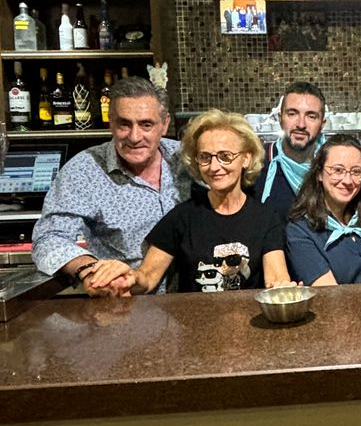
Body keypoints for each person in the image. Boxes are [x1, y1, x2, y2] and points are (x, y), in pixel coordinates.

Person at [88, 110, 292, 293]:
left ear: (246, 158)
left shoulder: (265, 218)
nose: (214, 167)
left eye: (225, 156)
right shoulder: (183, 216)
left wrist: (284, 289)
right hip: (193, 326)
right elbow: (148, 277)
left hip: (249, 326)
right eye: (205, 157)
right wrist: (129, 278)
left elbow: (276, 280)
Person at [31, 77, 191, 296]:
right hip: (127, 303)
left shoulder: (189, 159)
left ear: (164, 124)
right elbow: (49, 238)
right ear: (110, 123)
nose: (135, 137)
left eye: (146, 124)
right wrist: (89, 270)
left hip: (197, 298)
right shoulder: (84, 170)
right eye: (124, 124)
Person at [285, 135, 361, 285]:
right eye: (338, 170)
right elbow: (329, 295)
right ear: (319, 173)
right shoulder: (300, 231)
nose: (347, 181)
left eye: (356, 171)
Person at [249, 81, 327, 223]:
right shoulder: (256, 163)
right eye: (292, 114)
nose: (301, 124)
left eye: (311, 116)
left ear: (322, 123)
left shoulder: (334, 167)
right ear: (280, 119)